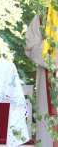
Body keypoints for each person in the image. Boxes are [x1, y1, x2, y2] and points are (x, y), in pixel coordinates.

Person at [25, 15, 58, 146]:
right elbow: (30, 48)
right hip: (47, 82)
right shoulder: (41, 19)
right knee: (47, 134)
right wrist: (51, 53)